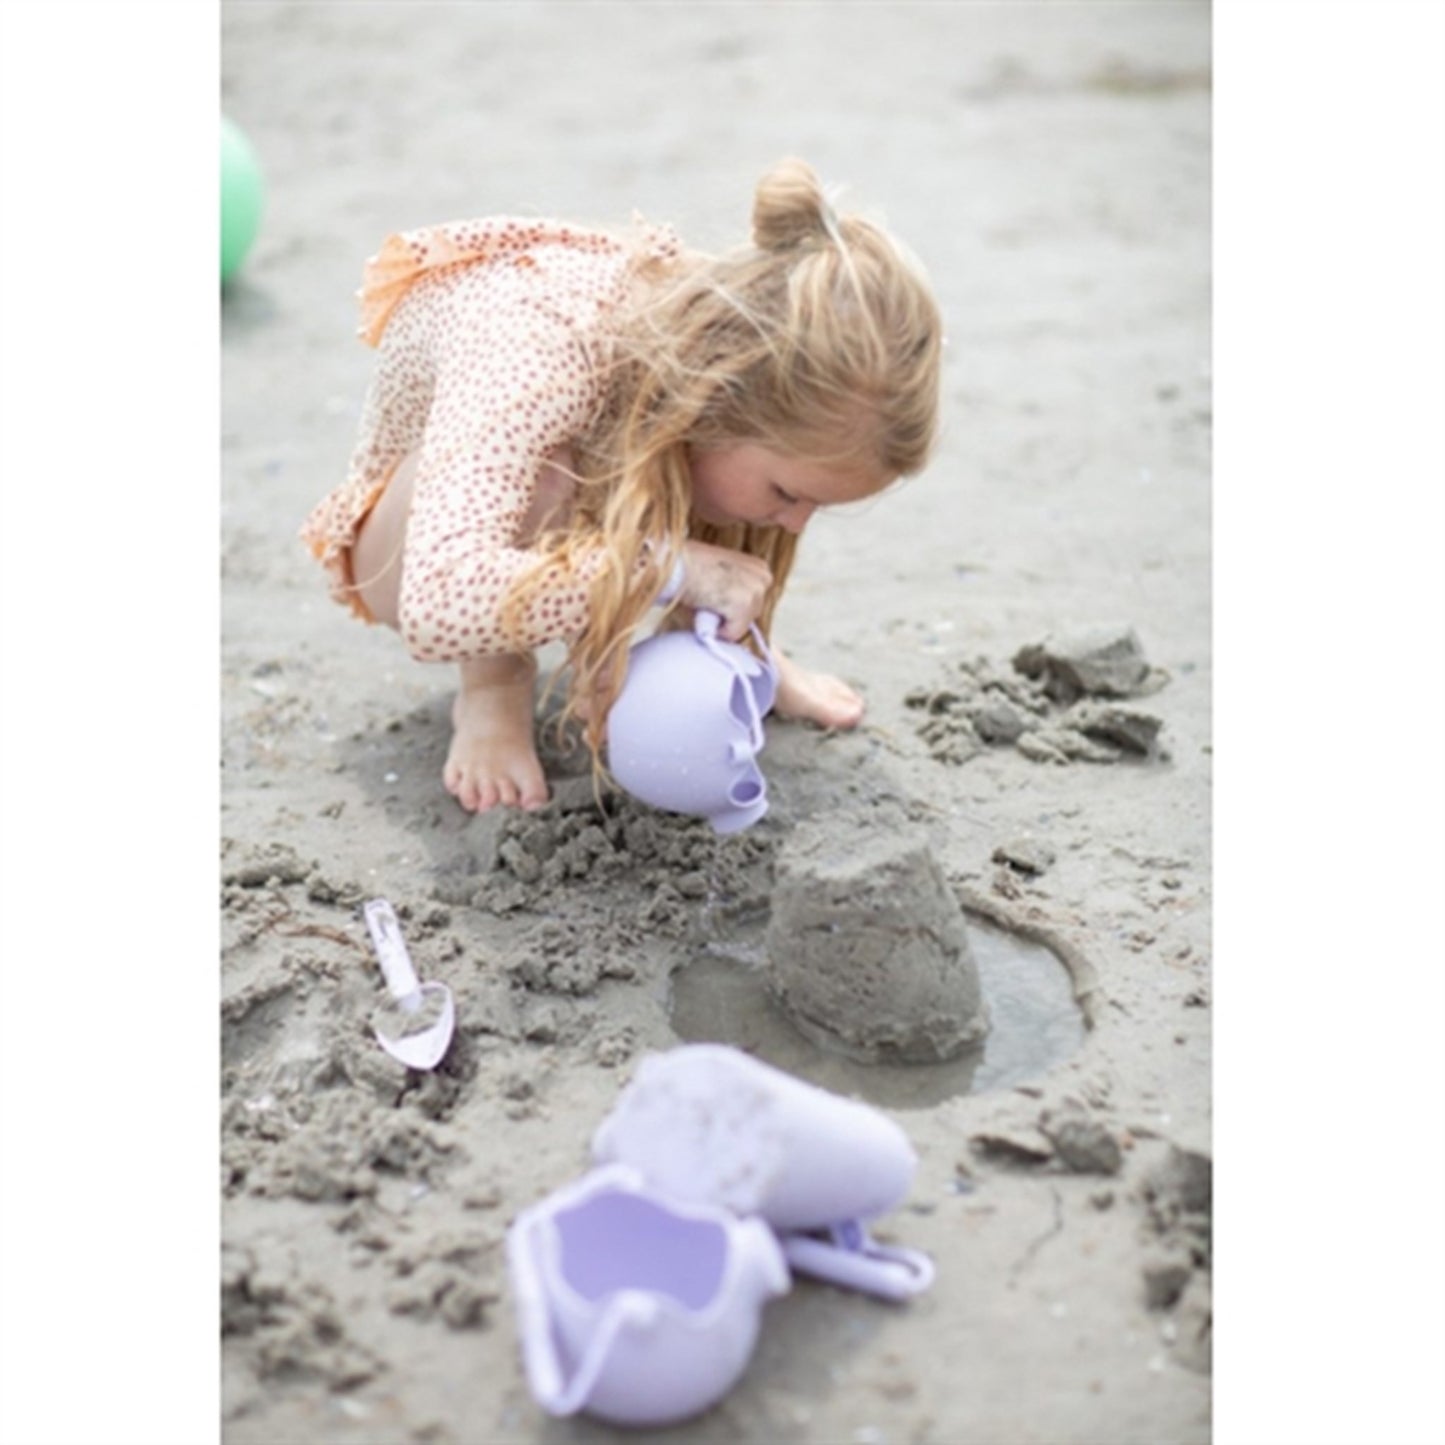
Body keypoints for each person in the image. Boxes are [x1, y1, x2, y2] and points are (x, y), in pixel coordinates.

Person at [301, 158, 942, 814]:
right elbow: (436, 604)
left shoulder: (734, 318)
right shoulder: (533, 350)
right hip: (412, 552)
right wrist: (662, 568)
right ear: (713, 397)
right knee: (551, 476)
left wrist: (705, 583)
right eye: (790, 492)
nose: (797, 522)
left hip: (598, 466)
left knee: (718, 482)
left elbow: (705, 466)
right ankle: (494, 684)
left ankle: (741, 641)